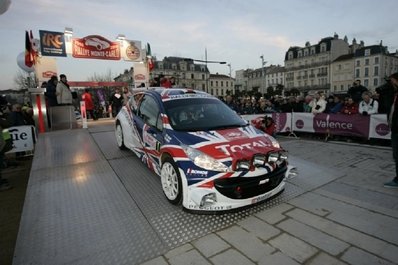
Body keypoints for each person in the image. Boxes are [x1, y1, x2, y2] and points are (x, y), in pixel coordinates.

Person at [384, 72, 398, 188]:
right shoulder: (395, 94)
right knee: (396, 155)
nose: (391, 83)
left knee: (397, 155)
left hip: (397, 128)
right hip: (395, 128)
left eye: (392, 81)